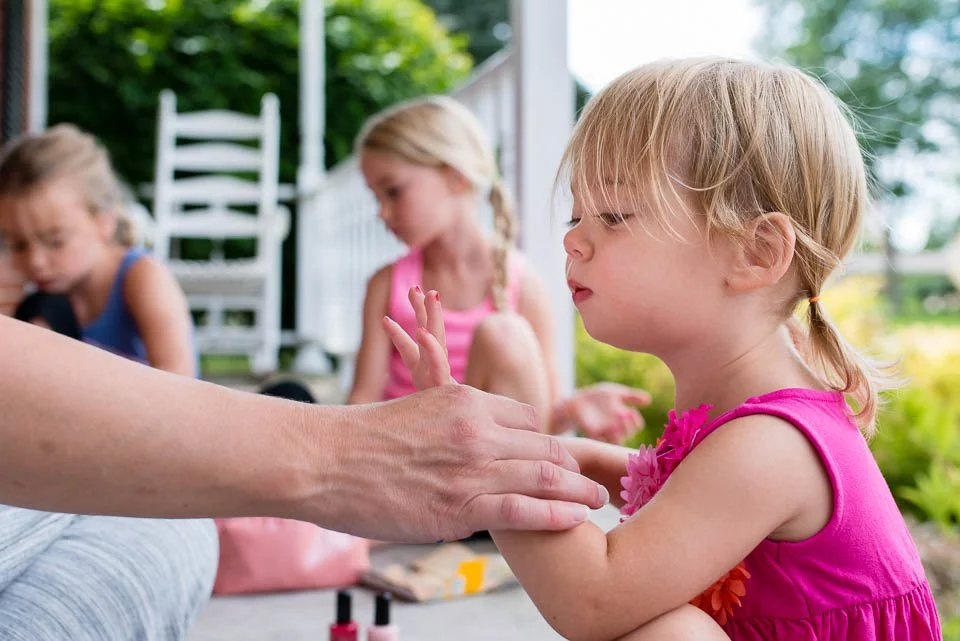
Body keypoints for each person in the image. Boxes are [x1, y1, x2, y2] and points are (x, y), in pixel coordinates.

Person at [387, 58, 941, 640]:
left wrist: (484, 455)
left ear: (754, 253)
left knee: (671, 633)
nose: (572, 238)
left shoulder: (771, 446)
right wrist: (556, 454)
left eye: (615, 216)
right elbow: (671, 484)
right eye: (577, 215)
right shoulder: (745, 426)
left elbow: (593, 599)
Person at [350, 96, 650, 443]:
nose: (382, 213)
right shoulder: (387, 285)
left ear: (455, 177)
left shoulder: (522, 284)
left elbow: (541, 416)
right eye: (377, 197)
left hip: (490, 467)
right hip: (414, 457)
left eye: (392, 191)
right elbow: (362, 399)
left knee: (504, 333)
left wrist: (574, 409)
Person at [0, 124, 196, 376]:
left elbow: (180, 380)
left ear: (105, 221)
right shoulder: (46, 302)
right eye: (18, 245)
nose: (36, 261)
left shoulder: (142, 277)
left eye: (55, 241)